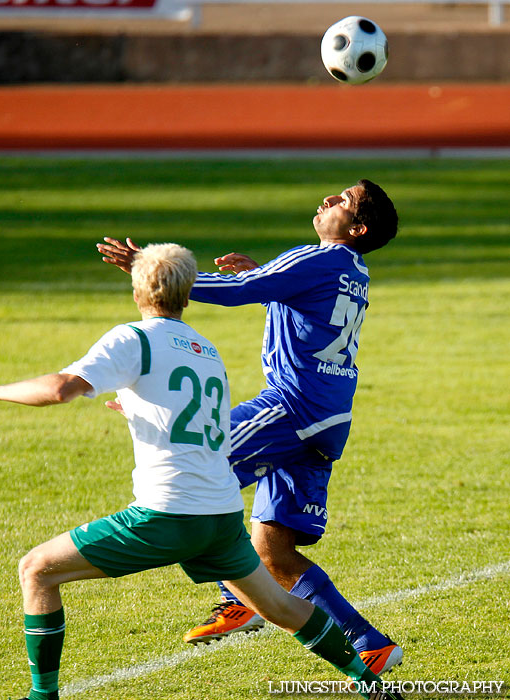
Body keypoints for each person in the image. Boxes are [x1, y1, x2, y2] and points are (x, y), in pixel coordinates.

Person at [0, 242, 403, 700]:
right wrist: (137, 409)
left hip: (168, 516)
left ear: (136, 290)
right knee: (279, 605)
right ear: (188, 296)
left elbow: (59, 389)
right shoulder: (204, 349)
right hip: (221, 519)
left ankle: (41, 697)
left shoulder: (132, 338)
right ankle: (368, 681)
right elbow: (196, 420)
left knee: (36, 570)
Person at [96, 179, 403, 677]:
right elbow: (303, 308)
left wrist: (156, 274)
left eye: (342, 200)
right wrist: (265, 275)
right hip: (327, 419)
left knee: (200, 473)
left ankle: (234, 598)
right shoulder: (351, 271)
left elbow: (240, 292)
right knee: (271, 550)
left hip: (290, 407)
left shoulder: (317, 257)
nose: (327, 200)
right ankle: (369, 643)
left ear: (357, 227)